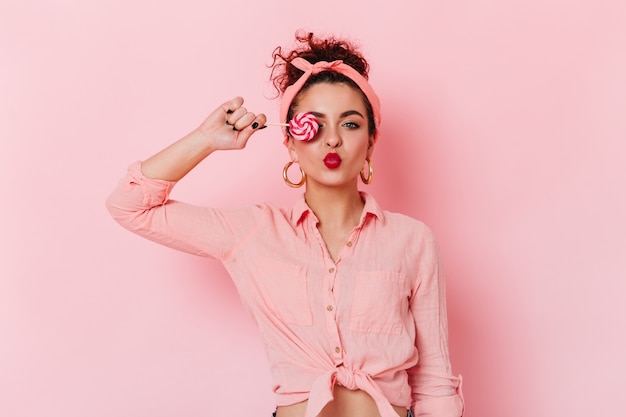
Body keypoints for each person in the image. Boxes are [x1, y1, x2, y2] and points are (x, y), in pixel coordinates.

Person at [106, 31, 464, 417]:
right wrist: (206, 139)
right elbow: (130, 206)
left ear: (371, 142)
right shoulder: (254, 233)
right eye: (317, 125)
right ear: (292, 142)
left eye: (350, 124)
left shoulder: (412, 240)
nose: (331, 141)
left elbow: (435, 383)